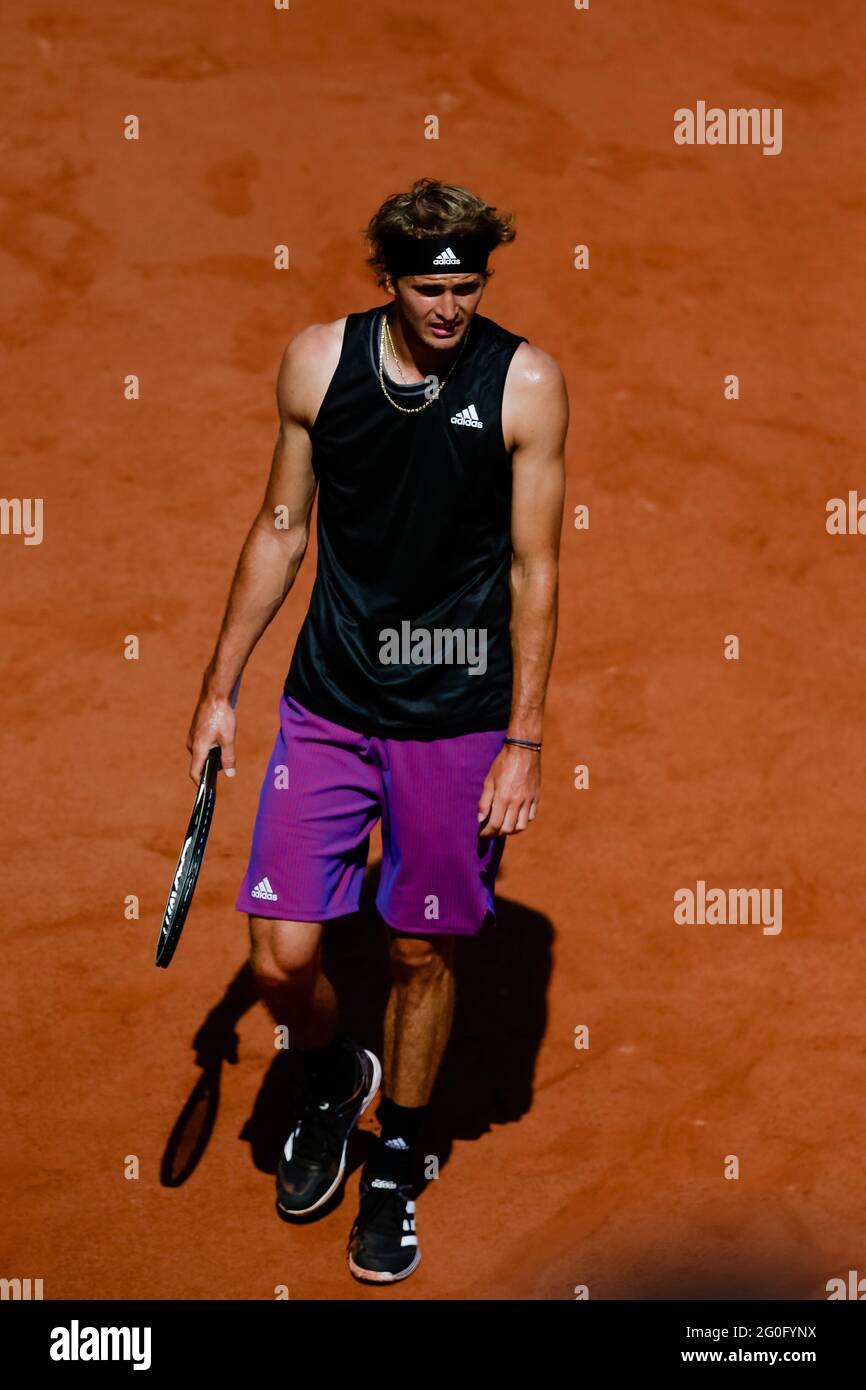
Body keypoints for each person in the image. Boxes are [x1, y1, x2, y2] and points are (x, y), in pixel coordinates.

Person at [187, 177, 568, 1284]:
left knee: (416, 947)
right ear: (387, 281)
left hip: (454, 717)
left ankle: (398, 1156)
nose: (449, 307)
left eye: (466, 285)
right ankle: (327, 1071)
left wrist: (523, 739)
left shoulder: (524, 383)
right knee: (280, 956)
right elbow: (278, 527)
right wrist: (220, 688)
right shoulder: (318, 363)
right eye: (427, 287)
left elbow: (538, 567)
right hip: (330, 702)